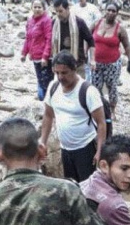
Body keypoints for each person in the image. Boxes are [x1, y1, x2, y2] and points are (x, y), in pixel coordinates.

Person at [40, 51, 106, 182]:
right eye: (57, 73)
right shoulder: (53, 87)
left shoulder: (88, 91)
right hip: (65, 149)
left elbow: (101, 123)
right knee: (71, 186)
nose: (60, 77)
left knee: (88, 188)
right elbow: (48, 115)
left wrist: (100, 152)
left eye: (64, 73)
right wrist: (43, 141)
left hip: (86, 148)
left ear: (74, 70)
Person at [91, 3, 130, 119]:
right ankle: (100, 109)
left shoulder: (120, 29)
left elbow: (127, 46)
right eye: (109, 10)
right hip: (96, 63)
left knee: (112, 87)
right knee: (96, 87)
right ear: (105, 10)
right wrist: (87, 53)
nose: (111, 13)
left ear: (117, 13)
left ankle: (112, 110)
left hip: (112, 64)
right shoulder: (97, 23)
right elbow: (87, 37)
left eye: (114, 11)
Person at [51, 0, 95, 78]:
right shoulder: (54, 23)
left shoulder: (79, 22)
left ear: (67, 9)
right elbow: (52, 44)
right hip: (60, 67)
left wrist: (92, 59)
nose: (58, 14)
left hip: (77, 65)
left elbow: (91, 41)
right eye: (56, 11)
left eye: (61, 11)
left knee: (79, 89)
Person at [22, 0, 54, 101]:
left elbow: (49, 38)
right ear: (31, 8)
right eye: (35, 7)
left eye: (39, 7)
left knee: (46, 82)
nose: (37, 9)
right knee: (40, 80)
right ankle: (43, 101)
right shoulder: (30, 20)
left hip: (44, 58)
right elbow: (28, 38)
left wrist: (45, 56)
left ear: (44, 8)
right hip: (35, 56)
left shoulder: (46, 20)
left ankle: (48, 102)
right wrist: (24, 53)